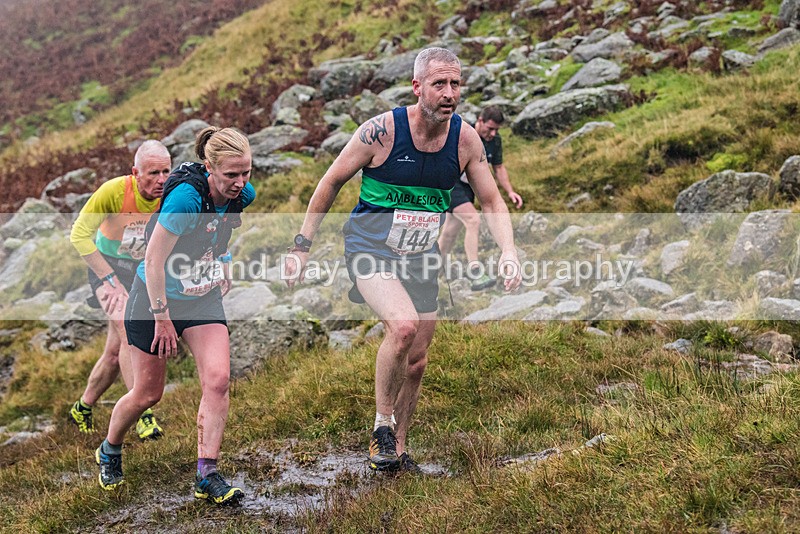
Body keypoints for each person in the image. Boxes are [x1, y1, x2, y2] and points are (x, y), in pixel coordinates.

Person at [284, 47, 521, 473]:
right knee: (403, 325)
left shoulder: (465, 139)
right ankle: (381, 427)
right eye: (439, 84)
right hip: (370, 247)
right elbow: (332, 180)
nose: (449, 93)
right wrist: (302, 245)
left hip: (420, 255)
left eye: (455, 84)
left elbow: (491, 199)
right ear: (417, 87)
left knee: (418, 359)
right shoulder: (381, 132)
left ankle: (398, 449)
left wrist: (508, 250)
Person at [95, 127, 255, 506]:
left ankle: (207, 473)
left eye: (246, 172)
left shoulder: (242, 195)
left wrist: (225, 260)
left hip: (201, 299)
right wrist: (161, 317)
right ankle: (110, 449)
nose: (240, 182)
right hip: (154, 300)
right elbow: (152, 259)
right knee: (147, 394)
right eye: (231, 174)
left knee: (217, 380)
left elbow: (220, 231)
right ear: (209, 168)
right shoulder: (184, 199)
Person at [68, 140, 170, 440]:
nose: (161, 180)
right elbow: (79, 235)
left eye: (166, 171)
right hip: (107, 269)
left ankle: (83, 406)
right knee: (130, 333)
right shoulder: (113, 192)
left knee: (114, 353)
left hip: (141, 273)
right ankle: (142, 413)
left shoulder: (171, 194)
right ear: (135, 172)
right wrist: (108, 277)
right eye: (153, 173)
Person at [437, 105, 523, 291]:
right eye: (490, 128)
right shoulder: (463, 134)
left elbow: (499, 168)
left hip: (469, 187)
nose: (492, 133)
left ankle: (433, 267)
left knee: (451, 230)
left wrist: (510, 192)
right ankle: (474, 270)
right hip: (451, 184)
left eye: (496, 130)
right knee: (473, 220)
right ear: (480, 121)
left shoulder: (495, 140)